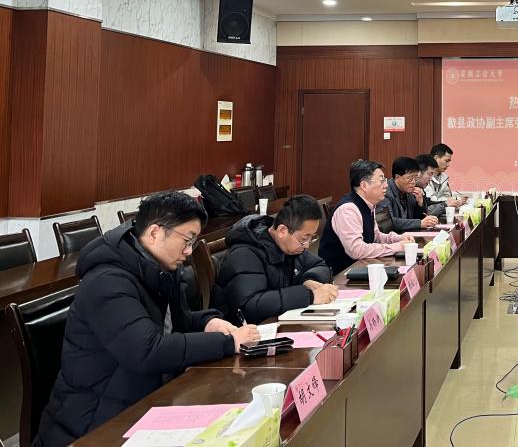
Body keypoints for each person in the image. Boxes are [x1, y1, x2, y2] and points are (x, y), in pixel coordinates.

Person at [36, 192, 260, 446]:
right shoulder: (107, 281)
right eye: (187, 240)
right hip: (94, 424)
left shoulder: (158, 269)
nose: (189, 251)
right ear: (154, 233)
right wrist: (227, 343)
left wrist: (209, 322)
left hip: (144, 400)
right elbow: (146, 350)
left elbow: (175, 324)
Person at [213, 195, 338, 325]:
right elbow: (251, 306)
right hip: (244, 331)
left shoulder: (290, 247)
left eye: (312, 237)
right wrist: (309, 296)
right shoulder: (245, 254)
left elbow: (320, 265)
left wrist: (309, 280)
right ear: (282, 231)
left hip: (277, 322)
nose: (307, 245)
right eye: (304, 238)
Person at [319, 159, 416, 274]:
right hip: (340, 275)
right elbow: (357, 250)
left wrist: (398, 238)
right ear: (364, 185)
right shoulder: (348, 210)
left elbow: (376, 237)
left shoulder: (369, 204)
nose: (386, 185)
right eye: (381, 181)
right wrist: (397, 247)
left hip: (360, 268)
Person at [380, 156, 439, 233]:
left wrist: (420, 203)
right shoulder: (385, 193)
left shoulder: (409, 192)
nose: (413, 182)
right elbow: (389, 223)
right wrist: (420, 223)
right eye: (410, 178)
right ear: (397, 177)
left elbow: (419, 218)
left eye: (415, 178)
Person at [426, 143, 464, 207]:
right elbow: (431, 200)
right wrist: (449, 201)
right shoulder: (425, 176)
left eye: (449, 161)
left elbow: (447, 196)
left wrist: (456, 200)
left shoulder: (444, 177)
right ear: (436, 158)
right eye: (446, 161)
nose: (448, 165)